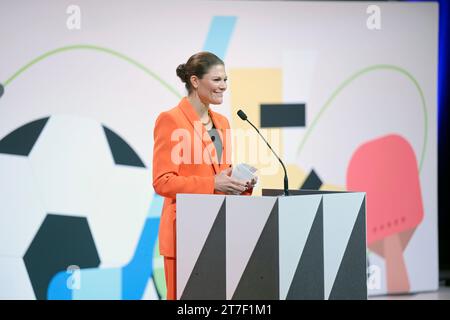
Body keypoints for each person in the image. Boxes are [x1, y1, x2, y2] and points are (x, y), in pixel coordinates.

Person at [152, 52, 257, 300]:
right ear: (195, 81)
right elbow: (162, 181)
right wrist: (213, 183)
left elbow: (221, 175)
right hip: (183, 234)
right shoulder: (170, 120)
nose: (224, 86)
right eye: (217, 79)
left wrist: (240, 183)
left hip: (220, 232)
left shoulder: (222, 122)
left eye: (225, 79)